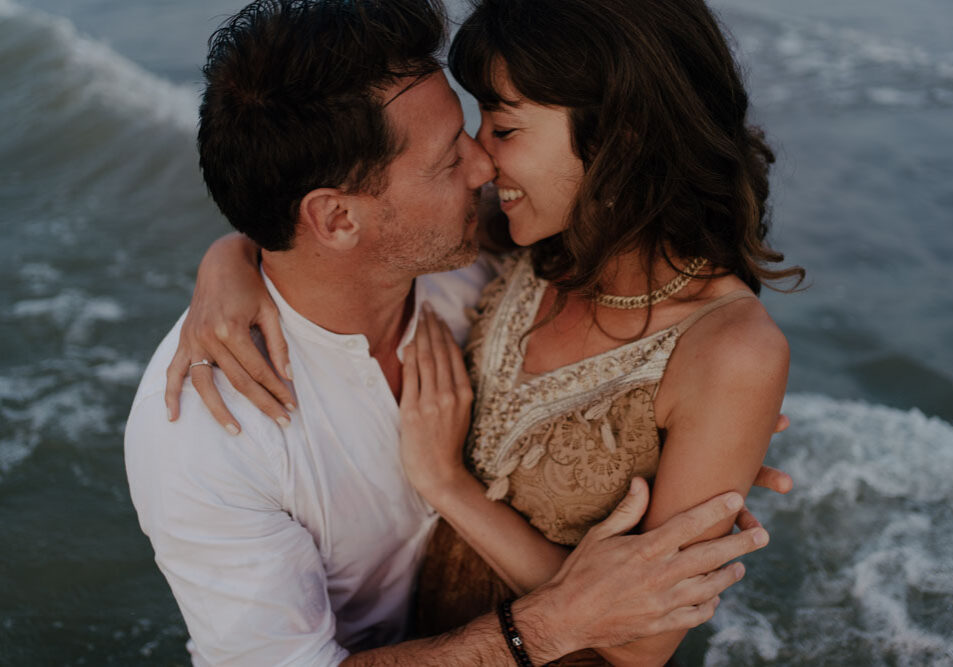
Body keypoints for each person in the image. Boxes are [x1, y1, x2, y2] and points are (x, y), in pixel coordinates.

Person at [126, 1, 786, 665]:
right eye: (451, 156)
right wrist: (545, 624)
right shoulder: (209, 437)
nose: (481, 166)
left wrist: (690, 437)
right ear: (334, 218)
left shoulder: (475, 254)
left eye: (495, 128)